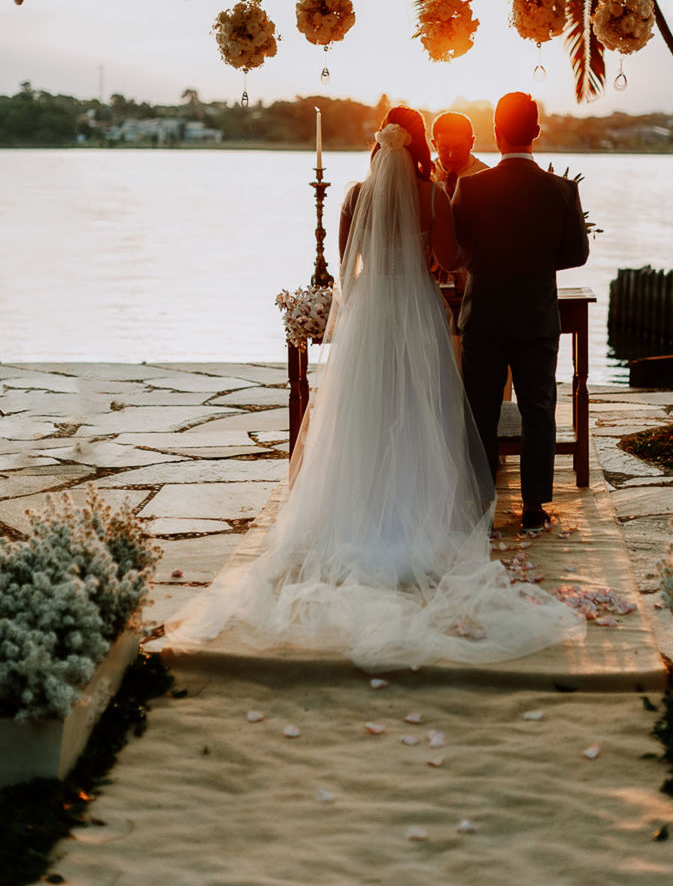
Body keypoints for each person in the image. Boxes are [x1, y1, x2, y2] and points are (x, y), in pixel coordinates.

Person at [166, 105, 583, 670]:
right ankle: (477, 510)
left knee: (364, 411)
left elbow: (344, 264)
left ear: (380, 142)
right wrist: (467, 262)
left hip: (369, 314)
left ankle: (358, 513)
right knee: (424, 410)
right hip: (419, 308)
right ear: (420, 145)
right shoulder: (434, 194)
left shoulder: (356, 195)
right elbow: (450, 257)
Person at [453, 93, 590, 532]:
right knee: (538, 408)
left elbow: (457, 250)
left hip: (485, 316)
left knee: (479, 410)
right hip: (535, 317)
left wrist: (484, 262)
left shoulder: (471, 188)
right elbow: (577, 254)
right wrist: (536, 262)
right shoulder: (561, 190)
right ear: (536, 131)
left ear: (496, 132)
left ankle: (478, 501)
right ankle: (533, 507)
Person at [431, 111, 489, 198]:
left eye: (458, 148)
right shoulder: (426, 175)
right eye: (444, 148)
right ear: (434, 145)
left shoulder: (487, 179)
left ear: (471, 143)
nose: (452, 155)